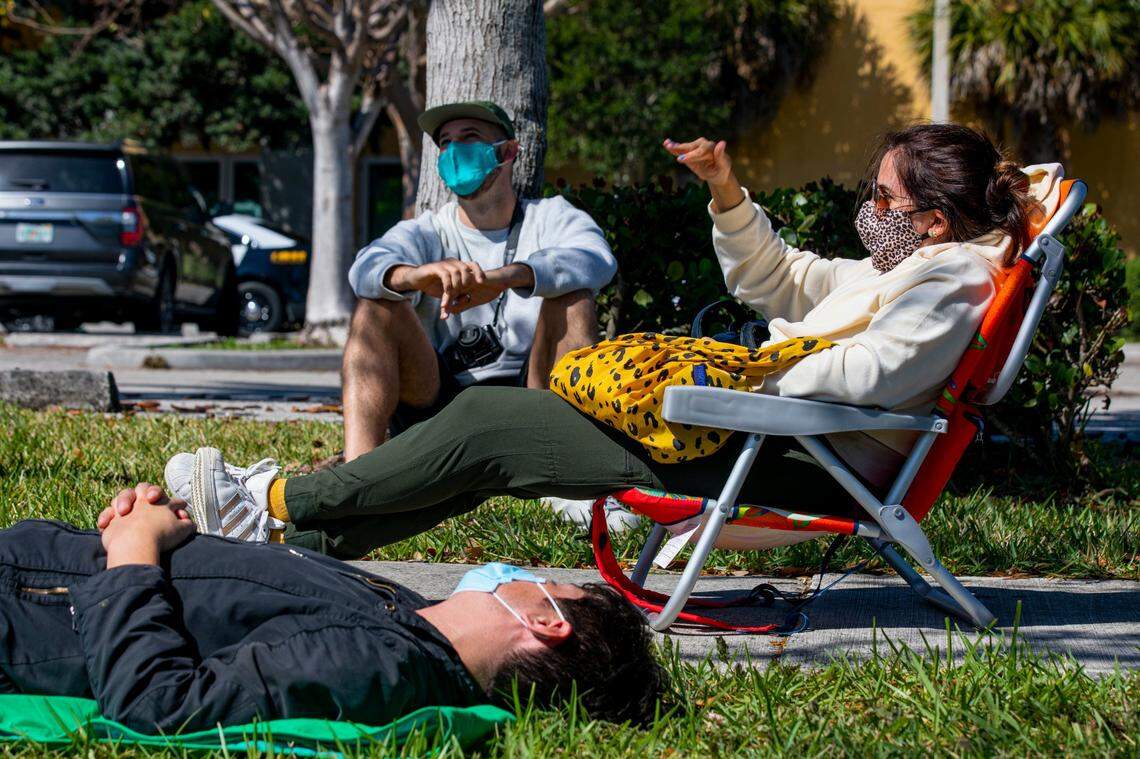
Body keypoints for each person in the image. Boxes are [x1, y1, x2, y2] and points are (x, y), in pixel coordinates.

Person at [165, 123, 1060, 560]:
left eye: (885, 199)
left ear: (934, 222)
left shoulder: (948, 284)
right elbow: (784, 282)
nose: (869, 210)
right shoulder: (912, 270)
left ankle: (278, 497)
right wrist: (726, 190)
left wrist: (725, 384)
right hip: (766, 436)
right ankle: (300, 543)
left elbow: (863, 374)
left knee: (489, 426)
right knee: (491, 441)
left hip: (788, 456)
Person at [0, 485, 667, 734]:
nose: (530, 578)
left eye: (552, 585)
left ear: (548, 620)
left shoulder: (377, 665)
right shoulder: (410, 618)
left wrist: (136, 552)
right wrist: (173, 529)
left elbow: (158, 703)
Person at [344, 100, 627, 530]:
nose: (454, 151)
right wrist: (415, 276)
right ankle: (357, 483)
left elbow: (595, 259)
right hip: (438, 404)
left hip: (534, 401)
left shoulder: (550, 217)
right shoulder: (429, 230)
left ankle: (576, 482)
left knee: (572, 296)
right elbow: (364, 268)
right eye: (445, 143)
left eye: (470, 139)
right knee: (375, 303)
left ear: (508, 152)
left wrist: (505, 278)